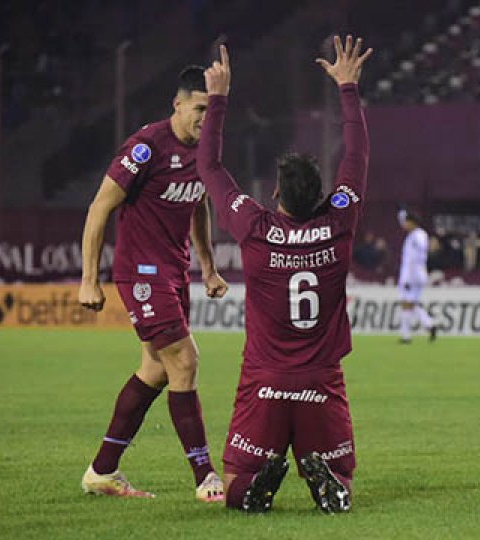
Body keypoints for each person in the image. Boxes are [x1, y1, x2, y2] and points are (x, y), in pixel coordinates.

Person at [197, 37, 371, 513]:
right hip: (321, 380)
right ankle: (327, 483)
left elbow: (208, 166)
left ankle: (256, 485)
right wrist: (348, 88)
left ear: (275, 193)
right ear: (322, 195)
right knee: (345, 482)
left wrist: (219, 97)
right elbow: (355, 162)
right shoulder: (339, 223)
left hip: (265, 382)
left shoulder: (255, 227)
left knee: (235, 481)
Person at [77, 65, 229, 501]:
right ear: (178, 105)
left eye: (213, 110)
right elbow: (98, 209)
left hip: (174, 271)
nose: (206, 118)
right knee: (184, 359)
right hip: (141, 272)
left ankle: (102, 471)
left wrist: (207, 267)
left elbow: (199, 205)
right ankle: (206, 478)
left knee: (157, 370)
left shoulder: (204, 152)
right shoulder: (145, 148)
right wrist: (90, 279)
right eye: (200, 108)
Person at [397, 210, 438, 343]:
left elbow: (416, 257)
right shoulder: (415, 235)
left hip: (413, 274)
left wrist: (409, 277)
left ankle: (406, 336)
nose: (404, 224)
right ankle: (429, 325)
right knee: (411, 303)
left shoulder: (417, 235)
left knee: (406, 303)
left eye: (406, 221)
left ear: (412, 222)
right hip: (415, 273)